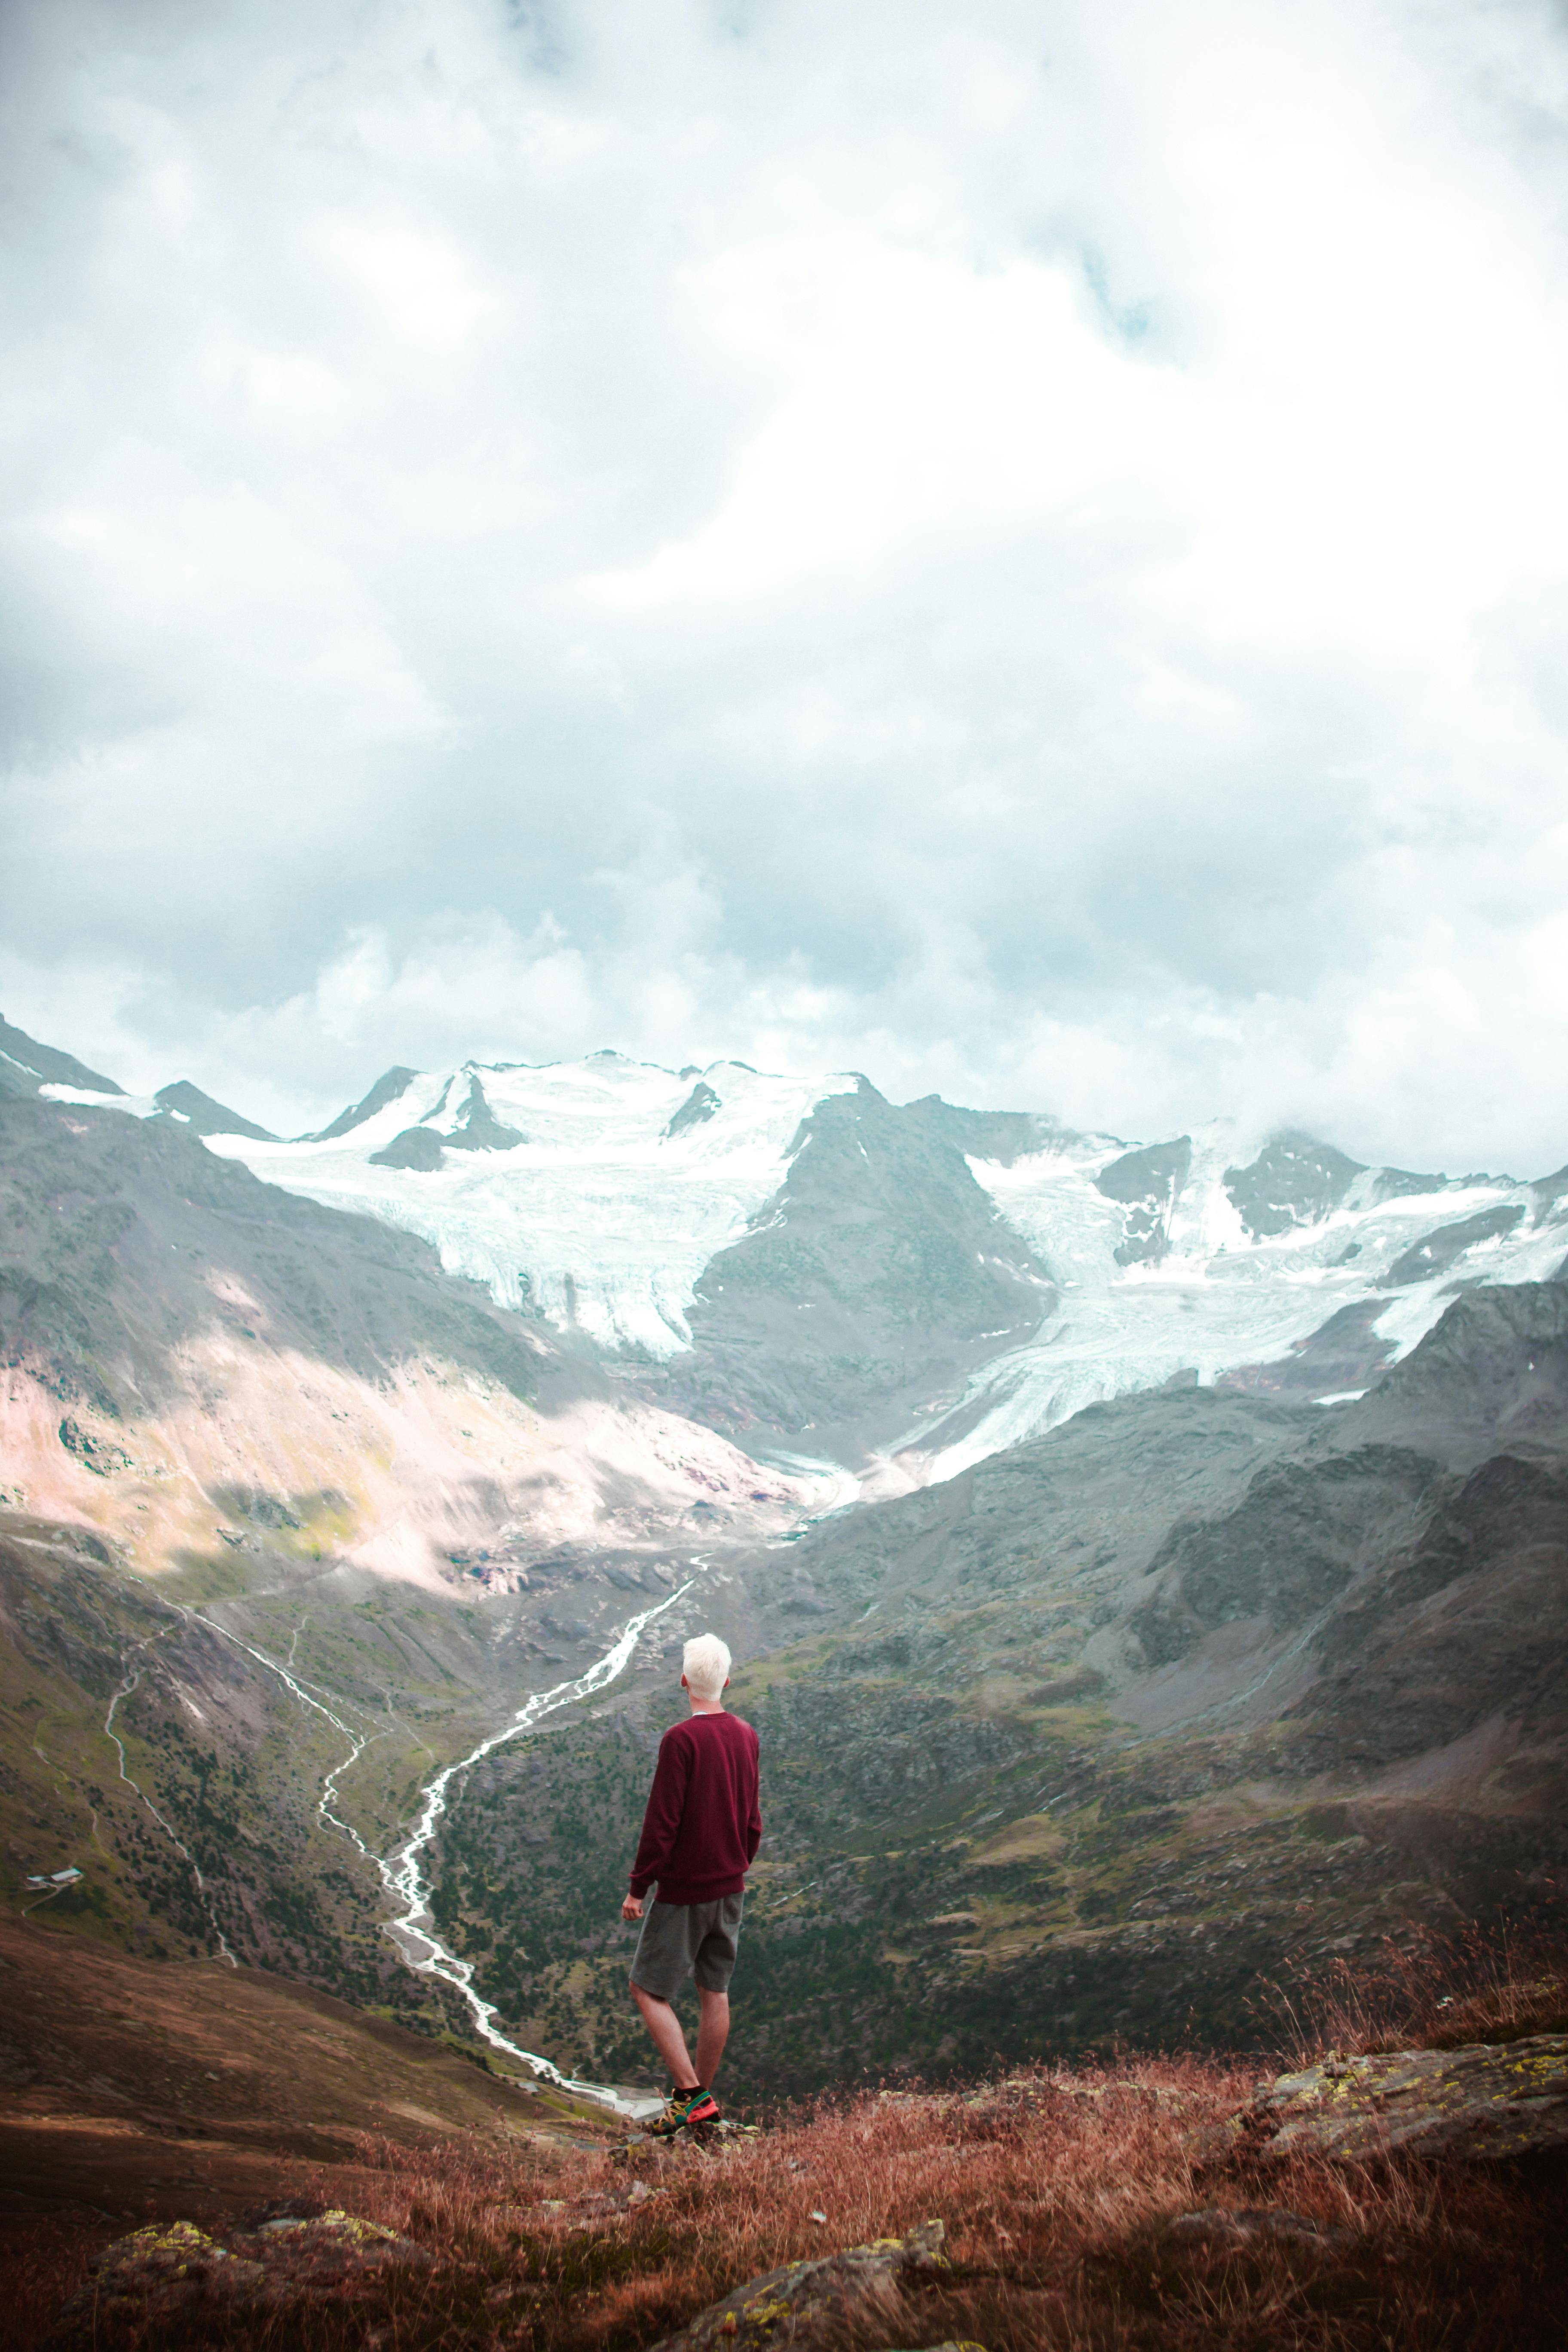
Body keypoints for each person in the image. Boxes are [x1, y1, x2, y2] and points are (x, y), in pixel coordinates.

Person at [621, 1632, 761, 2134]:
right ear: (727, 1681)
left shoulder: (681, 1740)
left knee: (646, 1988)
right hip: (731, 1886)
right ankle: (701, 2105)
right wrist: (737, 1863)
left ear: (684, 1681)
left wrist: (639, 1888)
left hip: (686, 1892)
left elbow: (662, 1823)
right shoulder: (746, 1734)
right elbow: (752, 1818)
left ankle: (689, 2094)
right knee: (714, 1991)